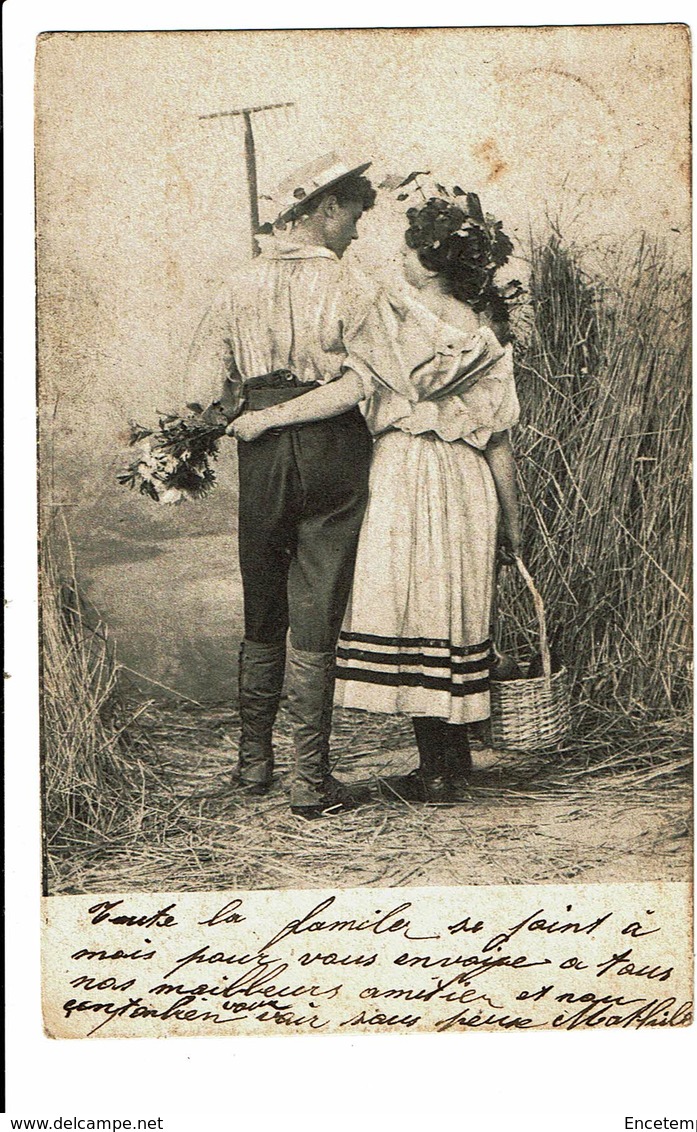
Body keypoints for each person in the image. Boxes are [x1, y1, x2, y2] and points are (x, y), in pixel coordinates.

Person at [228, 190, 522, 802]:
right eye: (356, 218)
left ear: (428, 260)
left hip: (389, 471)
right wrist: (513, 522)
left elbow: (361, 387)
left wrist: (259, 415)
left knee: (393, 607)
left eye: (409, 247)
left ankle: (257, 762)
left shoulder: (387, 310)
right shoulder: (483, 334)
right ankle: (379, 769)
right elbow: (498, 440)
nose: (376, 241)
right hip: (453, 479)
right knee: (447, 607)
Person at [187, 153, 380, 819]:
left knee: (262, 595)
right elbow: (360, 383)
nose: (357, 229)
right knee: (318, 604)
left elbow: (203, 385)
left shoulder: (238, 283)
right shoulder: (354, 286)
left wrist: (241, 418)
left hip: (261, 452)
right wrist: (289, 409)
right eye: (353, 213)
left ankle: (253, 764)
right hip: (331, 447)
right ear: (324, 208)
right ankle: (309, 781)